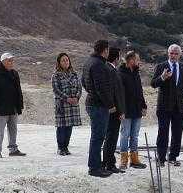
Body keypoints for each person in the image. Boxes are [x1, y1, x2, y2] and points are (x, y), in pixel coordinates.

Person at [152, 44, 183, 166]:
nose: (173, 56)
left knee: (177, 133)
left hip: (179, 106)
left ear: (180, 55)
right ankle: (161, 159)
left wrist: (179, 95)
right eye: (171, 53)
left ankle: (173, 157)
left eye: (176, 54)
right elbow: (153, 83)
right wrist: (163, 77)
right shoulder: (161, 66)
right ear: (168, 54)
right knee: (163, 132)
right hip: (164, 106)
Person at [82, 39, 116, 177]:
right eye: (108, 50)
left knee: (97, 136)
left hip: (92, 102)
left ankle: (96, 165)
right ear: (105, 50)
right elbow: (101, 88)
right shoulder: (99, 65)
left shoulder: (89, 62)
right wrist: (110, 104)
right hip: (98, 105)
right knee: (98, 137)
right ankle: (94, 168)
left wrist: (91, 92)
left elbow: (84, 82)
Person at [0, 52, 26, 158]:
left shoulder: (14, 73)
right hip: (1, 108)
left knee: (13, 129)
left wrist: (20, 105)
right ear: (3, 61)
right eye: (9, 60)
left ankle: (13, 149)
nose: (11, 62)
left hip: (13, 106)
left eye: (12, 60)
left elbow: (19, 90)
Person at [118, 51, 148, 170]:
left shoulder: (136, 73)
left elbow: (140, 91)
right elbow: (119, 95)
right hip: (126, 110)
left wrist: (144, 106)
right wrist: (121, 111)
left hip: (137, 109)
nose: (138, 61)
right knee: (125, 134)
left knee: (135, 135)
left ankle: (134, 159)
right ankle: (124, 160)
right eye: (137, 59)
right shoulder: (121, 74)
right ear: (130, 60)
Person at [51, 53, 82, 156]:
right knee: (61, 127)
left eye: (67, 60)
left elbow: (79, 87)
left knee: (69, 126)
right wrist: (67, 98)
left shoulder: (74, 74)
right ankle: (61, 147)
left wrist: (77, 97)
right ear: (59, 62)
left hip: (73, 104)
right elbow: (56, 90)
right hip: (62, 105)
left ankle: (66, 147)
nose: (66, 62)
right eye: (63, 60)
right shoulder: (56, 75)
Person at [102, 47, 126, 174]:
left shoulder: (107, 68)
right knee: (111, 137)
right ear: (116, 58)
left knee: (109, 137)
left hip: (110, 109)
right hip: (114, 110)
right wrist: (121, 111)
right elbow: (116, 93)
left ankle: (107, 162)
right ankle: (109, 164)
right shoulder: (111, 70)